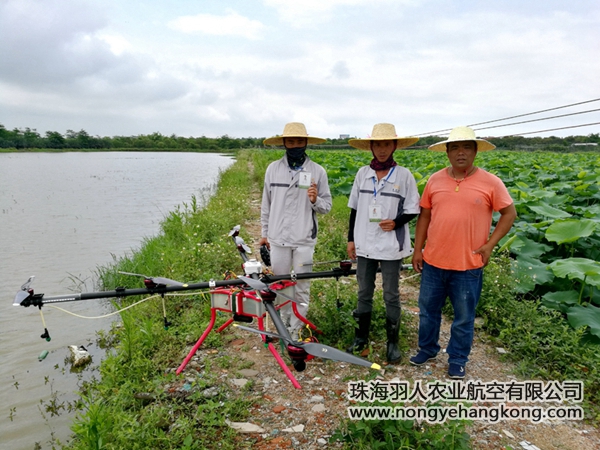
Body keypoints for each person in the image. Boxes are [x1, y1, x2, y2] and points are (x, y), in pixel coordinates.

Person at [410, 126, 517, 378]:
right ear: (447, 152)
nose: (461, 153)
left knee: (464, 317)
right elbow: (425, 215)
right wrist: (417, 249)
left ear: (475, 151)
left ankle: (458, 358)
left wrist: (490, 244)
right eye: (455, 147)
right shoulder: (435, 180)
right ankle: (428, 348)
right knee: (427, 311)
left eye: (467, 147)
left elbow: (509, 214)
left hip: (468, 265)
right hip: (433, 261)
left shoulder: (491, 182)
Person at [346, 123, 420, 363]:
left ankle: (393, 343)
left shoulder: (404, 175)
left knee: (391, 293)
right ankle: (361, 338)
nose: (382, 149)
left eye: (386, 144)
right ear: (371, 146)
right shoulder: (362, 174)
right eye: (377, 144)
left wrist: (397, 223)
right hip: (364, 242)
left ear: (394, 146)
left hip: (391, 245)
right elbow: (354, 210)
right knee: (364, 292)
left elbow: (412, 209)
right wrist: (350, 239)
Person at [259, 122, 332, 339]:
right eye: (291, 141)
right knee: (280, 284)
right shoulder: (273, 169)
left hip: (304, 238)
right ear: (284, 143)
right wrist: (264, 234)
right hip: (277, 237)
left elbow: (326, 206)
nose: (295, 145)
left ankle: (296, 328)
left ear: (306, 142)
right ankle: (282, 326)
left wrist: (314, 199)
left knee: (301, 285)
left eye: (300, 141)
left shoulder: (317, 171)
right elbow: (266, 205)